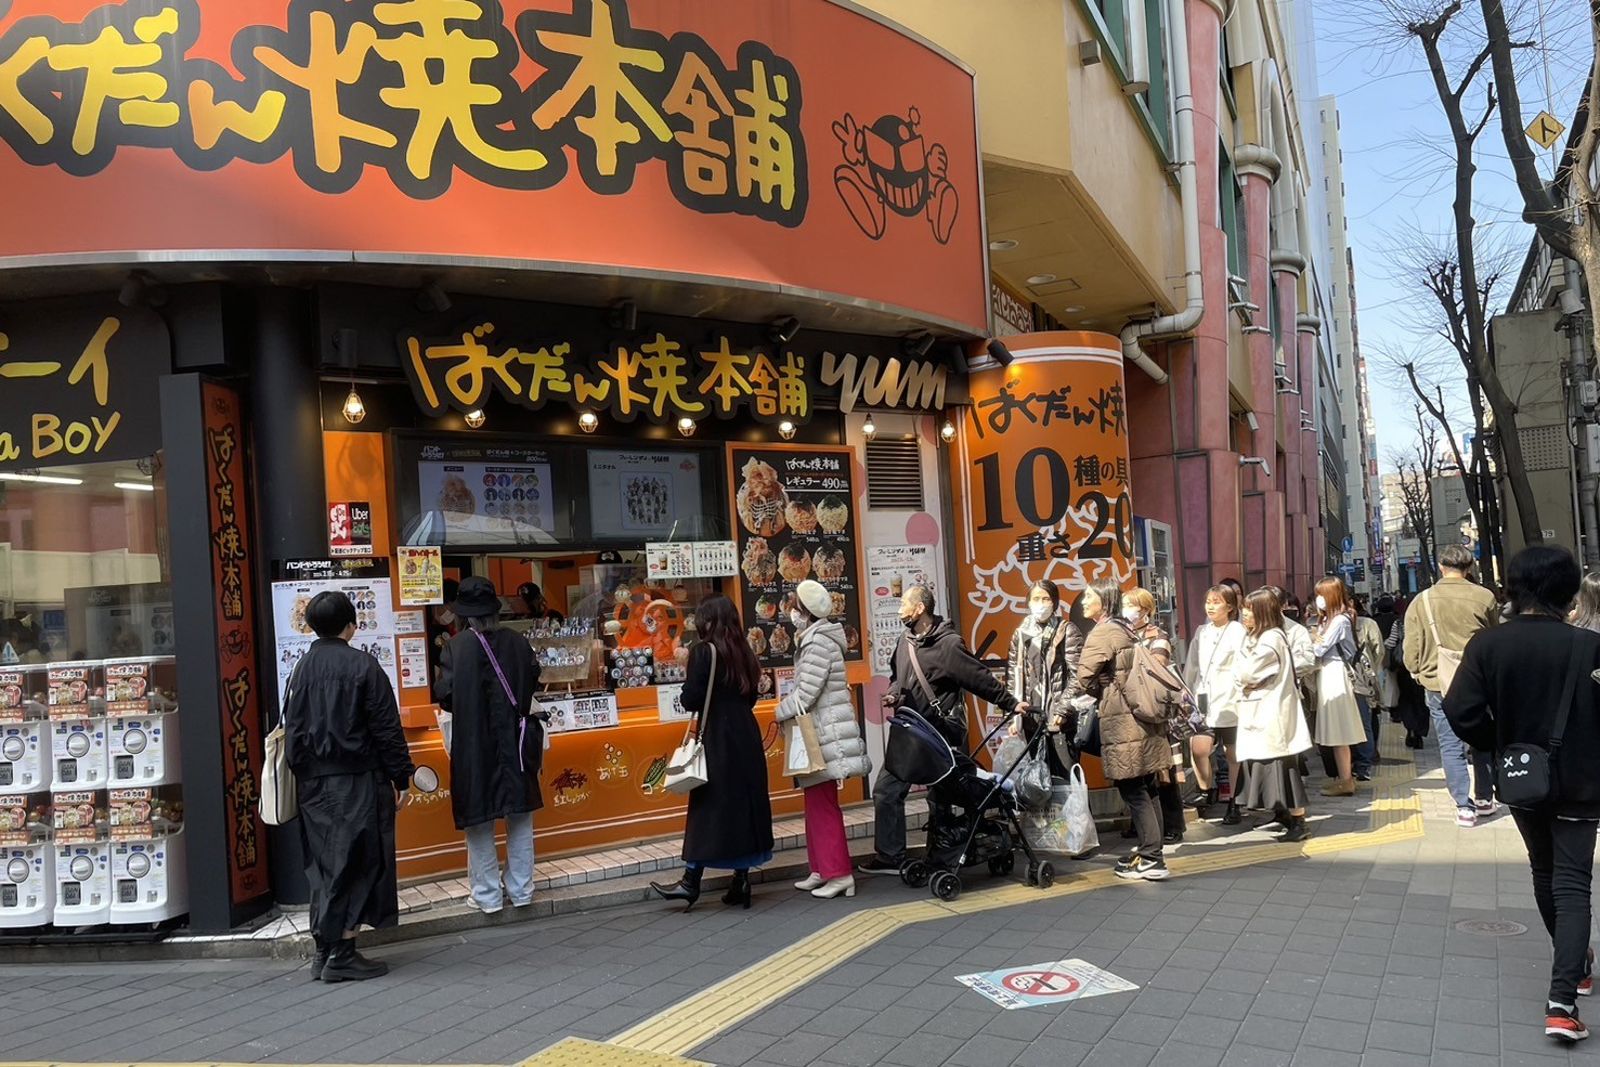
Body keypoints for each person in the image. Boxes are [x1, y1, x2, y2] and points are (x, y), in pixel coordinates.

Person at [1446, 546, 1600, 1043]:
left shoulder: (1488, 646)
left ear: (1512, 589)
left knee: (1543, 870)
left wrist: (1496, 744)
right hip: (1584, 779)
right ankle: (1562, 997)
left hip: (1521, 777)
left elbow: (1460, 710)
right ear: (1568, 591)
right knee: (1573, 882)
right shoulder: (1589, 645)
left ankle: (1571, 966)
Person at [282, 591, 414, 982]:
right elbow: (386, 729)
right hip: (357, 779)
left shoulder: (300, 669)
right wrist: (401, 776)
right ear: (350, 625)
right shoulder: (364, 667)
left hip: (313, 783)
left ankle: (324, 950)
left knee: (323, 865)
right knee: (358, 862)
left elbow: (293, 730)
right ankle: (342, 950)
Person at [858, 585, 1023, 877]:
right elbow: (898, 677)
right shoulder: (904, 640)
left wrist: (1011, 703)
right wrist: (894, 693)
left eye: (904, 605)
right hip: (910, 735)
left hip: (939, 737)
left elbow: (979, 678)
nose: (899, 610)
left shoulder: (948, 645)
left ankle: (942, 853)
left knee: (942, 797)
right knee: (886, 790)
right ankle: (890, 856)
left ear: (920, 608)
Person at [650, 596, 773, 909]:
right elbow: (751, 697)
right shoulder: (745, 650)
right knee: (744, 805)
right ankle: (740, 881)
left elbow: (691, 699)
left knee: (708, 806)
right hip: (746, 734)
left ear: (709, 621)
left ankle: (691, 882)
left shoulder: (703, 652)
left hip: (716, 736)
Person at [435, 577, 544, 914]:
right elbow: (533, 680)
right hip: (517, 741)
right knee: (520, 817)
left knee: (479, 821)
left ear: (465, 615)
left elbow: (446, 697)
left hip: (473, 744)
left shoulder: (455, 648)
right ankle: (522, 890)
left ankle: (486, 896)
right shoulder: (517, 642)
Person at [776, 580, 871, 900]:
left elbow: (807, 693)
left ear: (805, 611)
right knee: (815, 802)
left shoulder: (818, 643)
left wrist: (779, 711)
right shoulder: (814, 639)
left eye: (795, 606)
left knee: (823, 805)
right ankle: (821, 868)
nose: (791, 612)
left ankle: (839, 873)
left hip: (824, 733)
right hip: (818, 732)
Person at [1077, 579, 1170, 881]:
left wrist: (1099, 687)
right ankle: (1153, 851)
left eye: (1088, 597)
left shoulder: (1102, 633)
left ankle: (1151, 858)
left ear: (1103, 601)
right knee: (1147, 785)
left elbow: (1083, 678)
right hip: (1143, 716)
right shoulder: (1125, 628)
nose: (1082, 602)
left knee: (1133, 788)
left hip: (1122, 718)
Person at [1403, 544, 1500, 827]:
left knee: (1449, 744)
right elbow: (1494, 639)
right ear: (1469, 568)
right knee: (1481, 740)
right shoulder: (1484, 597)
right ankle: (1484, 798)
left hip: (1438, 681)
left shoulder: (1423, 600)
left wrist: (1418, 672)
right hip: (1479, 681)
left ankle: (1463, 806)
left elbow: (1412, 646)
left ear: (1441, 566)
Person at [1233, 589, 1313, 842]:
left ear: (1263, 612)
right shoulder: (1266, 636)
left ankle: (1298, 822)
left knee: (1283, 769)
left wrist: (1243, 678)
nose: (1244, 614)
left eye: (1249, 609)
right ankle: (1286, 817)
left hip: (1271, 714)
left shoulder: (1269, 640)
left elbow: (1246, 674)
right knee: (1278, 769)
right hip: (1267, 713)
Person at [1123, 587, 1186, 843]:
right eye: (1125, 605)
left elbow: (1156, 668)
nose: (1127, 610)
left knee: (1164, 771)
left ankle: (1174, 825)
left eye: (1132, 605)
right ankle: (1141, 825)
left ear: (1146, 610)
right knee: (1138, 771)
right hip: (1132, 710)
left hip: (1155, 711)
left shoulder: (1158, 636)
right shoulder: (1124, 634)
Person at [1005, 579, 1083, 777]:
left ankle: (1078, 809)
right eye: (1036, 598)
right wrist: (1014, 716)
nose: (1040, 604)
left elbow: (1078, 676)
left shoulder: (1067, 630)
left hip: (1060, 720)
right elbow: (1014, 674)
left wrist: (1063, 710)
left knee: (1066, 779)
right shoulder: (1021, 634)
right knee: (1037, 781)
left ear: (1055, 603)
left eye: (1046, 599)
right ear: (1029, 602)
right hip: (1031, 717)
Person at [1183, 584, 1245, 823]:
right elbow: (1192, 666)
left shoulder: (1237, 631)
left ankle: (1234, 802)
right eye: (1208, 601)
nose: (1210, 606)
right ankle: (1205, 791)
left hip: (1230, 701)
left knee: (1233, 754)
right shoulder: (1202, 631)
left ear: (1230, 606)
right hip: (1204, 700)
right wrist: (1187, 694)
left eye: (1217, 601)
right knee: (1199, 747)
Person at [1310, 576, 1365, 797]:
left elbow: (1318, 649)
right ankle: (1344, 778)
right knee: (1337, 731)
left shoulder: (1340, 620)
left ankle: (1346, 779)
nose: (1318, 600)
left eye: (1321, 595)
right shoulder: (1330, 620)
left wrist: (1313, 636)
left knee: (1339, 730)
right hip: (1329, 674)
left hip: (1336, 675)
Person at [1352, 598, 1386, 780]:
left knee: (1366, 719)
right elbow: (1379, 651)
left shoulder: (1367, 624)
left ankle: (1365, 760)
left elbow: (1379, 651)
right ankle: (1365, 758)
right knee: (1367, 718)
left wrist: (1371, 671)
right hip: (1361, 678)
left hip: (1362, 680)